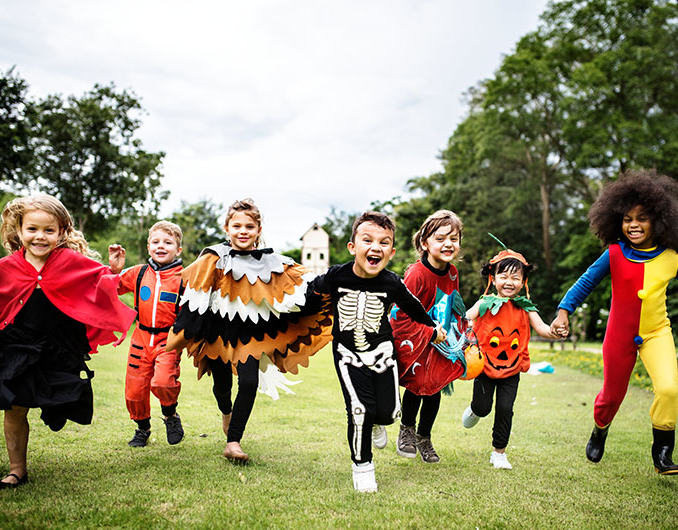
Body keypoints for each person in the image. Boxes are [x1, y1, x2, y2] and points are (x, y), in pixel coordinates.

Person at [549, 170, 678, 475]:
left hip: (656, 333)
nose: (633, 224)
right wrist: (563, 311)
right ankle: (600, 429)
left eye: (642, 218)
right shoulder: (613, 253)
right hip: (619, 335)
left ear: (660, 221)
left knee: (669, 389)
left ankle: (662, 451)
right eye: (627, 219)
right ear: (617, 222)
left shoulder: (672, 258)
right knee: (611, 396)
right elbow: (584, 283)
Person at [0, 194, 136, 489]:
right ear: (19, 230)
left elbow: (99, 286)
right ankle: (16, 469)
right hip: (17, 346)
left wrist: (112, 271)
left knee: (59, 403)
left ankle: (53, 411)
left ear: (61, 233)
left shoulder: (70, 261)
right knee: (15, 406)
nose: (40, 236)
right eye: (32, 229)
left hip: (58, 346)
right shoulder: (7, 266)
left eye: (49, 230)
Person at [167, 198, 332, 463]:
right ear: (227, 228)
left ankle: (233, 441)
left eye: (249, 226)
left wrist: (338, 279)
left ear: (258, 229)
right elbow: (188, 288)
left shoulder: (274, 262)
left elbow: (305, 284)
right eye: (237, 226)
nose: (243, 231)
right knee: (222, 386)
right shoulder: (213, 258)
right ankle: (226, 412)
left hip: (251, 334)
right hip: (217, 332)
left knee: (249, 382)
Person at [308, 211, 447, 493]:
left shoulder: (391, 282)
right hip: (347, 354)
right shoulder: (336, 275)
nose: (375, 247)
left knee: (388, 412)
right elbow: (309, 294)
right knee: (359, 409)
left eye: (384, 243)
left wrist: (434, 329)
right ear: (353, 247)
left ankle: (376, 422)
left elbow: (413, 308)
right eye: (367, 240)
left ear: (392, 252)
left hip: (383, 352)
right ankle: (362, 467)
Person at [462, 241, 561, 470]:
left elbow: (543, 328)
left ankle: (499, 453)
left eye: (516, 277)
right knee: (483, 407)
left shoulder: (526, 307)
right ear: (493, 279)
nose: (509, 282)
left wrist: (555, 332)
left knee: (505, 408)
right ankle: (476, 410)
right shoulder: (484, 303)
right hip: (484, 367)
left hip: (512, 369)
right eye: (503, 276)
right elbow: (465, 318)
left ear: (523, 281)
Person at [390, 210, 466, 463]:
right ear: (425, 243)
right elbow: (401, 313)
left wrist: (462, 332)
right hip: (417, 340)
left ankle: (425, 437)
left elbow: (452, 304)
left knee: (435, 389)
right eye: (441, 238)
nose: (448, 244)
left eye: (454, 239)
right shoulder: (416, 274)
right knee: (417, 386)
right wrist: (428, 333)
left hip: (441, 342)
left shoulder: (453, 272)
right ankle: (407, 430)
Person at [108, 221, 185, 448]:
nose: (161, 246)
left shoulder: (184, 278)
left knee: (163, 382)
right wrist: (114, 270)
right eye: (156, 242)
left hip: (168, 340)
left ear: (178, 249)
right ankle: (142, 429)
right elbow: (111, 287)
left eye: (168, 242)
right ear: (148, 246)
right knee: (135, 390)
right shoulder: (138, 273)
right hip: (140, 338)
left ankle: (170, 416)